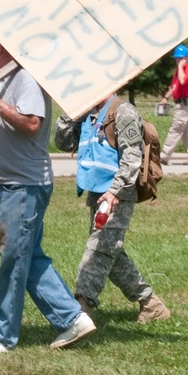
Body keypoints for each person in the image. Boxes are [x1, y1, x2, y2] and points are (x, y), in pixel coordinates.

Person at [0, 0, 96, 352]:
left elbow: (31, 124)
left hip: (24, 185)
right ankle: (73, 319)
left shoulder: (25, 77)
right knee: (28, 256)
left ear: (5, 46)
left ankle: (3, 338)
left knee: (13, 262)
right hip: (13, 184)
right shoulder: (4, 71)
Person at [55, 96, 172, 322]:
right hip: (98, 194)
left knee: (99, 250)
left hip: (118, 194)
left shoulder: (123, 111)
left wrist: (115, 191)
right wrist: (70, 113)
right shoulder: (88, 113)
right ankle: (151, 304)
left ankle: (80, 310)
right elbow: (62, 142)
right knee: (111, 252)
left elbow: (132, 157)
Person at [159, 44, 188, 166]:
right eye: (177, 58)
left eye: (180, 58)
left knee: (175, 129)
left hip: (184, 104)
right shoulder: (178, 71)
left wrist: (181, 67)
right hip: (180, 104)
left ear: (186, 58)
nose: (178, 60)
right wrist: (165, 98)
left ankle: (164, 156)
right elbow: (174, 86)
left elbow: (182, 81)